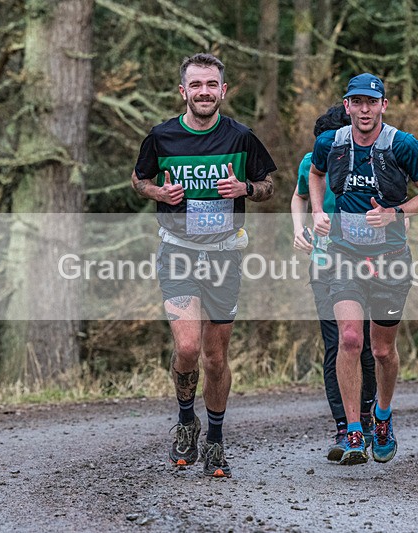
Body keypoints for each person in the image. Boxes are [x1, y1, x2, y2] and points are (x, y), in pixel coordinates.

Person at [131, 53, 276, 478]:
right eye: (196, 85)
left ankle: (214, 438)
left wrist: (245, 187)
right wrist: (158, 193)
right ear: (183, 92)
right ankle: (184, 422)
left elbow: (268, 184)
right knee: (188, 348)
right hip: (177, 250)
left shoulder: (241, 137)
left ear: (223, 90)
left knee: (215, 358)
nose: (204, 92)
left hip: (224, 254)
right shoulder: (161, 137)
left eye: (211, 85)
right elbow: (139, 180)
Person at [308, 73, 418, 465]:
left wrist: (395, 213)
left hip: (390, 261)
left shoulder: (403, 145)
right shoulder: (330, 142)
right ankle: (353, 430)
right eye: (357, 102)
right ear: (346, 106)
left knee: (382, 350)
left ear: (384, 105)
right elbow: (314, 174)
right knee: (350, 339)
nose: (364, 110)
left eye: (371, 102)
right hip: (344, 257)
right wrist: (317, 212)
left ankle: (382, 415)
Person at [291, 105, 377, 462]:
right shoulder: (310, 163)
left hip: (367, 263)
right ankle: (345, 426)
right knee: (337, 343)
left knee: (366, 345)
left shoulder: (372, 161)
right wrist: (299, 229)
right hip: (324, 265)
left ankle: (369, 419)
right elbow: (298, 196)